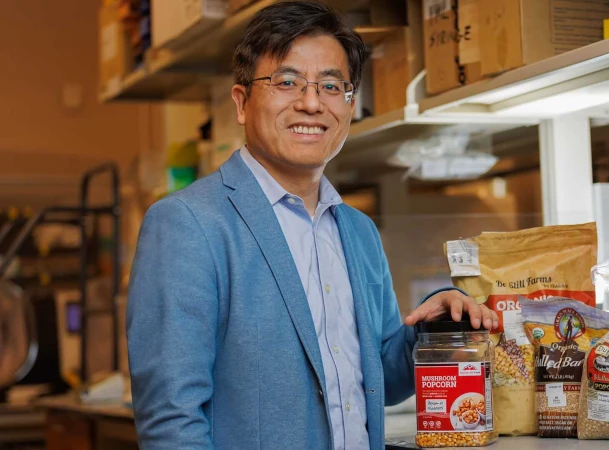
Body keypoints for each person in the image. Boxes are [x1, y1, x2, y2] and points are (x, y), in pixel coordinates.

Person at [125, 2, 498, 450]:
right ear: (242, 102)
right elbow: (171, 417)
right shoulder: (188, 223)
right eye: (286, 82)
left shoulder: (358, 231)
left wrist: (432, 328)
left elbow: (379, 378)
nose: (311, 103)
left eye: (331, 86)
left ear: (350, 105)